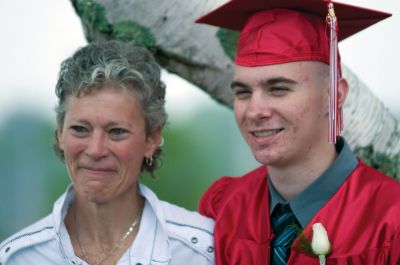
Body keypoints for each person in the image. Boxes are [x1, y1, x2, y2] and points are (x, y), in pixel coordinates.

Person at [195, 0, 400, 264]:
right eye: (243, 92)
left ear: (334, 96)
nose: (255, 110)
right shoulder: (223, 208)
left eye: (278, 88)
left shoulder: (391, 221)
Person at [0, 41, 215, 265]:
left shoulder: (202, 251)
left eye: (117, 132)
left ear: (151, 138)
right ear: (60, 134)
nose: (95, 150)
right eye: (80, 129)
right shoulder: (17, 258)